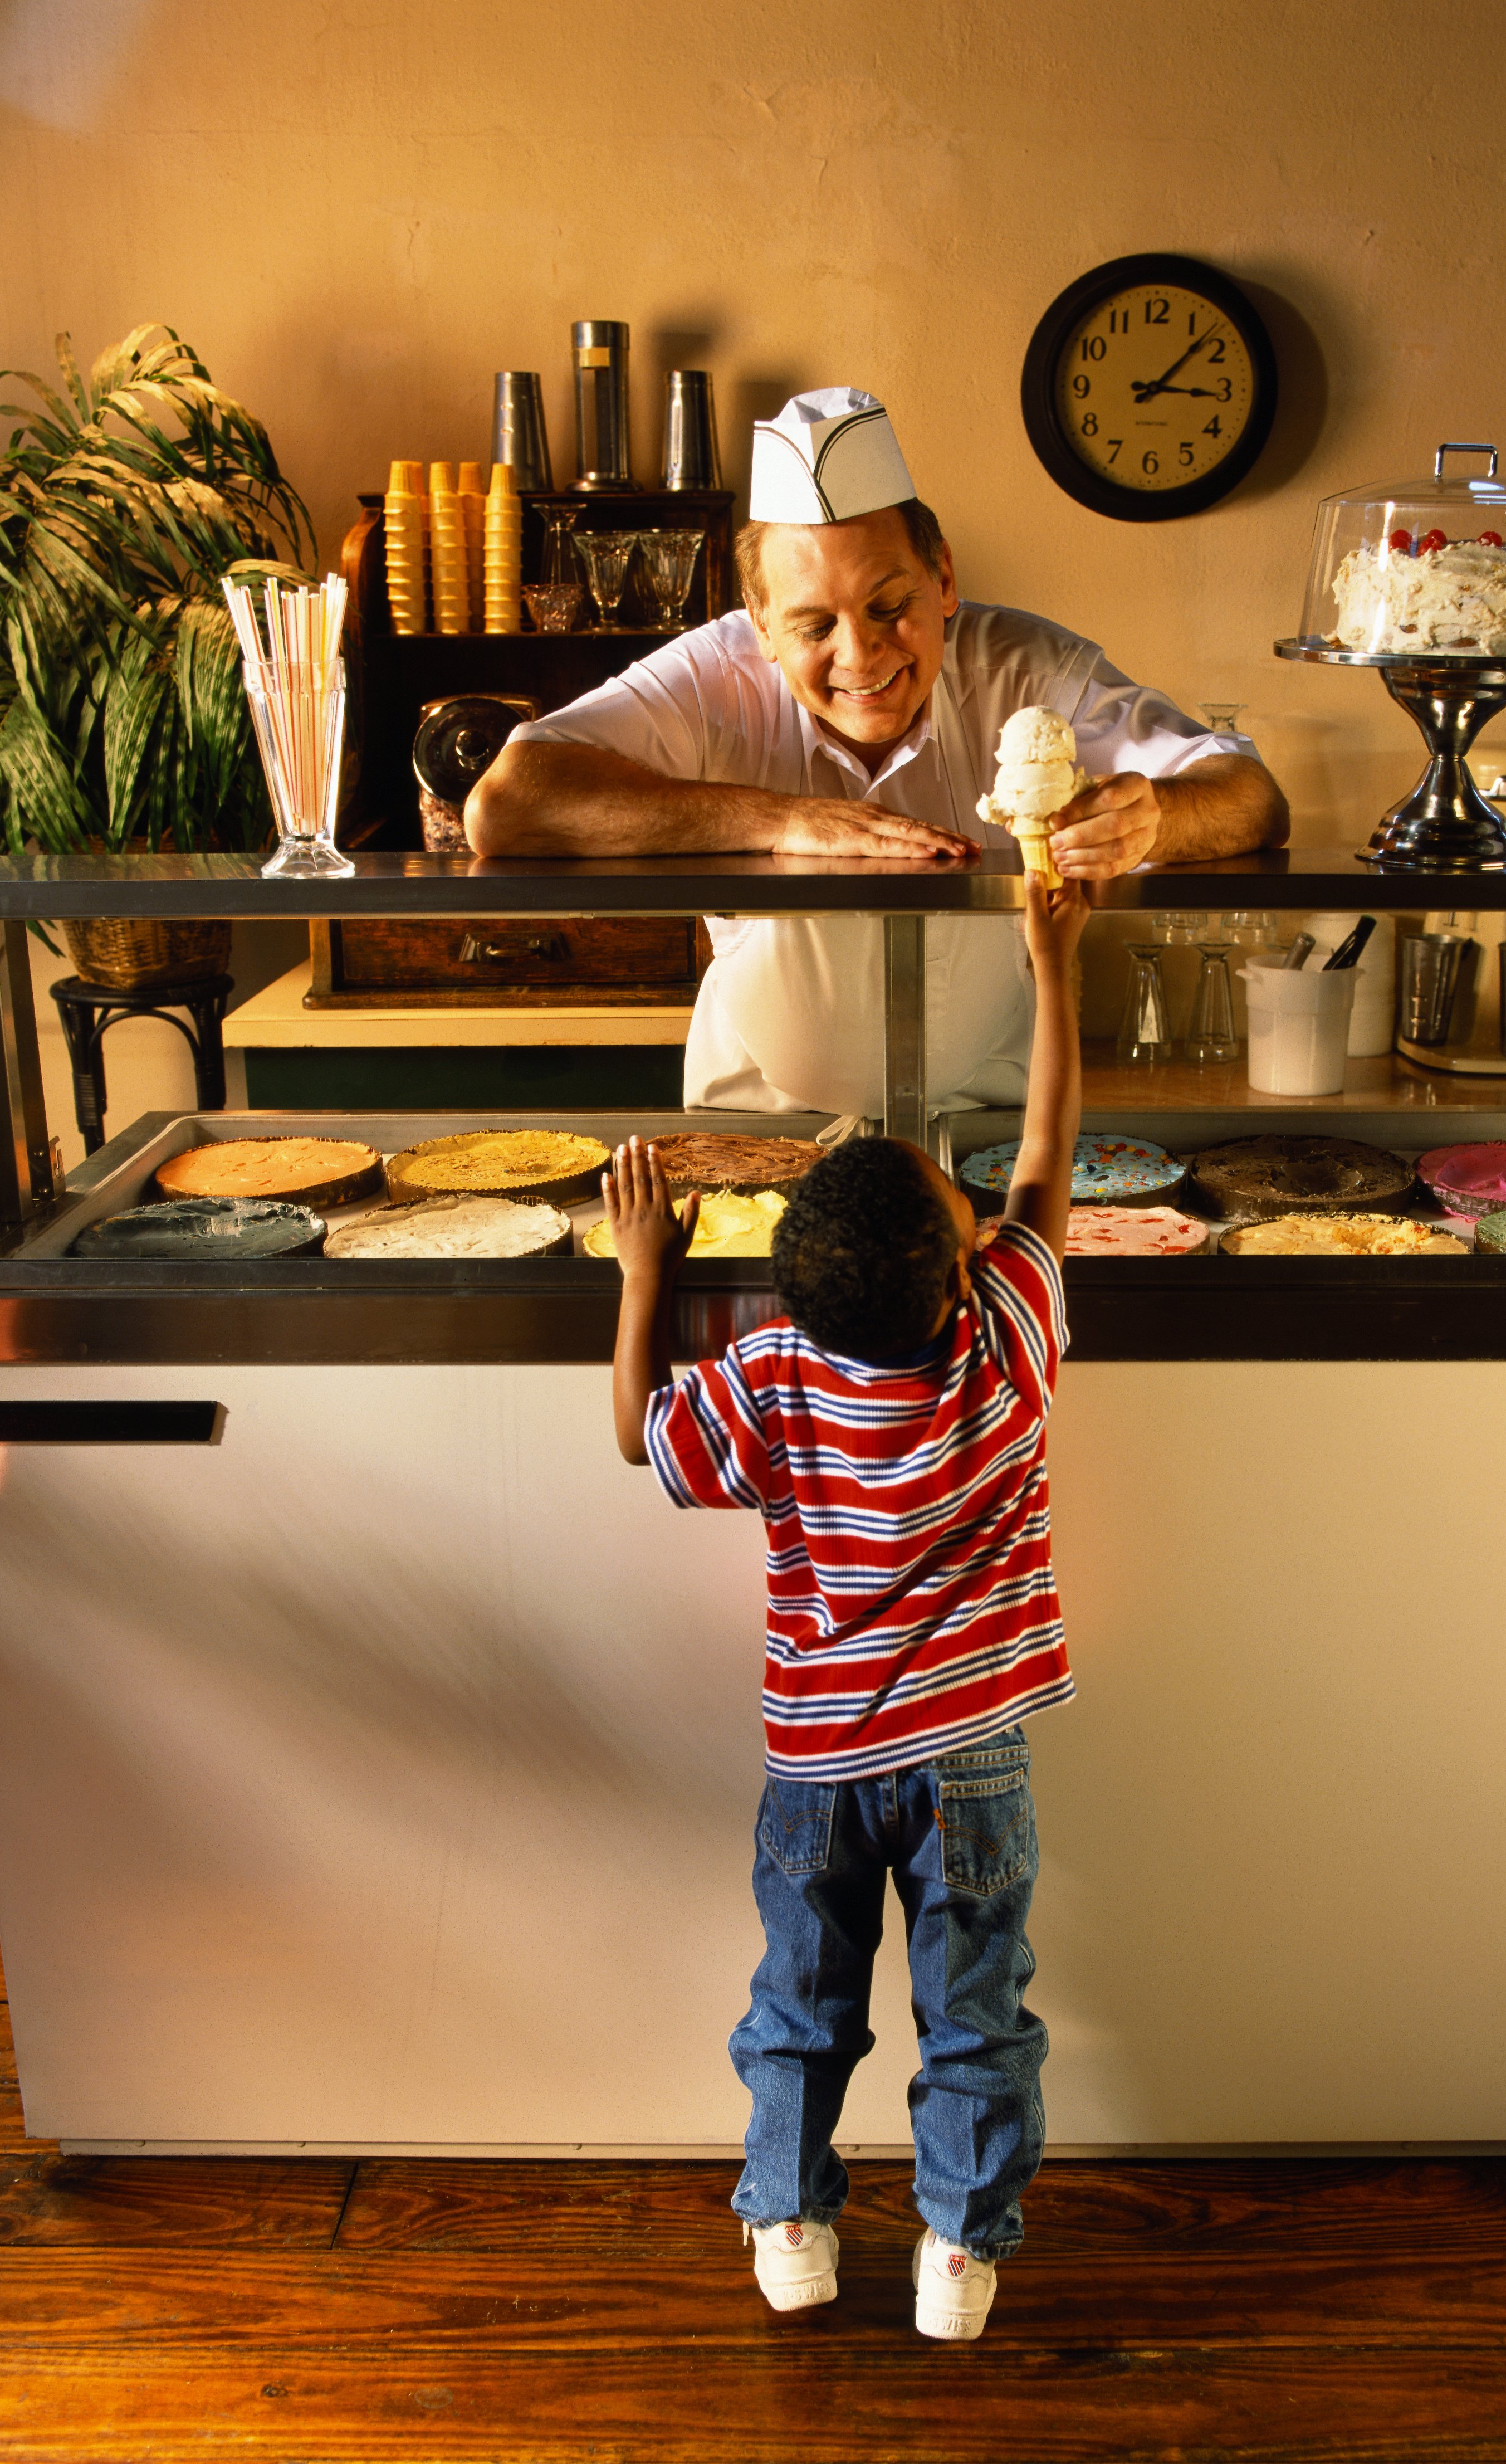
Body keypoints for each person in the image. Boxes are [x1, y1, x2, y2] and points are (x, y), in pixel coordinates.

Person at [603, 870, 1091, 2342]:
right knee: (977, 2017)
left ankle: (794, 2225)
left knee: (803, 2003)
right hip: (973, 1763)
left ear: (788, 1292)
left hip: (817, 1766)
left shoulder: (769, 1377)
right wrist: (1050, 960)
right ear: (960, 1275)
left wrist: (642, 1278)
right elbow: (1048, 1169)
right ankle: (960, 2252)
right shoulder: (1004, 1346)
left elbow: (642, 1436)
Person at [469, 386, 1287, 1117]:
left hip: (995, 1122)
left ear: (944, 579)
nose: (860, 657)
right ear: (759, 624)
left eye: (890, 605)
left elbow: (1252, 796)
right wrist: (785, 824)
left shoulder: (1026, 667)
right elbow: (508, 803)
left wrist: (1156, 821)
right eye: (814, 626)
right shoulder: (713, 671)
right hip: (759, 1121)